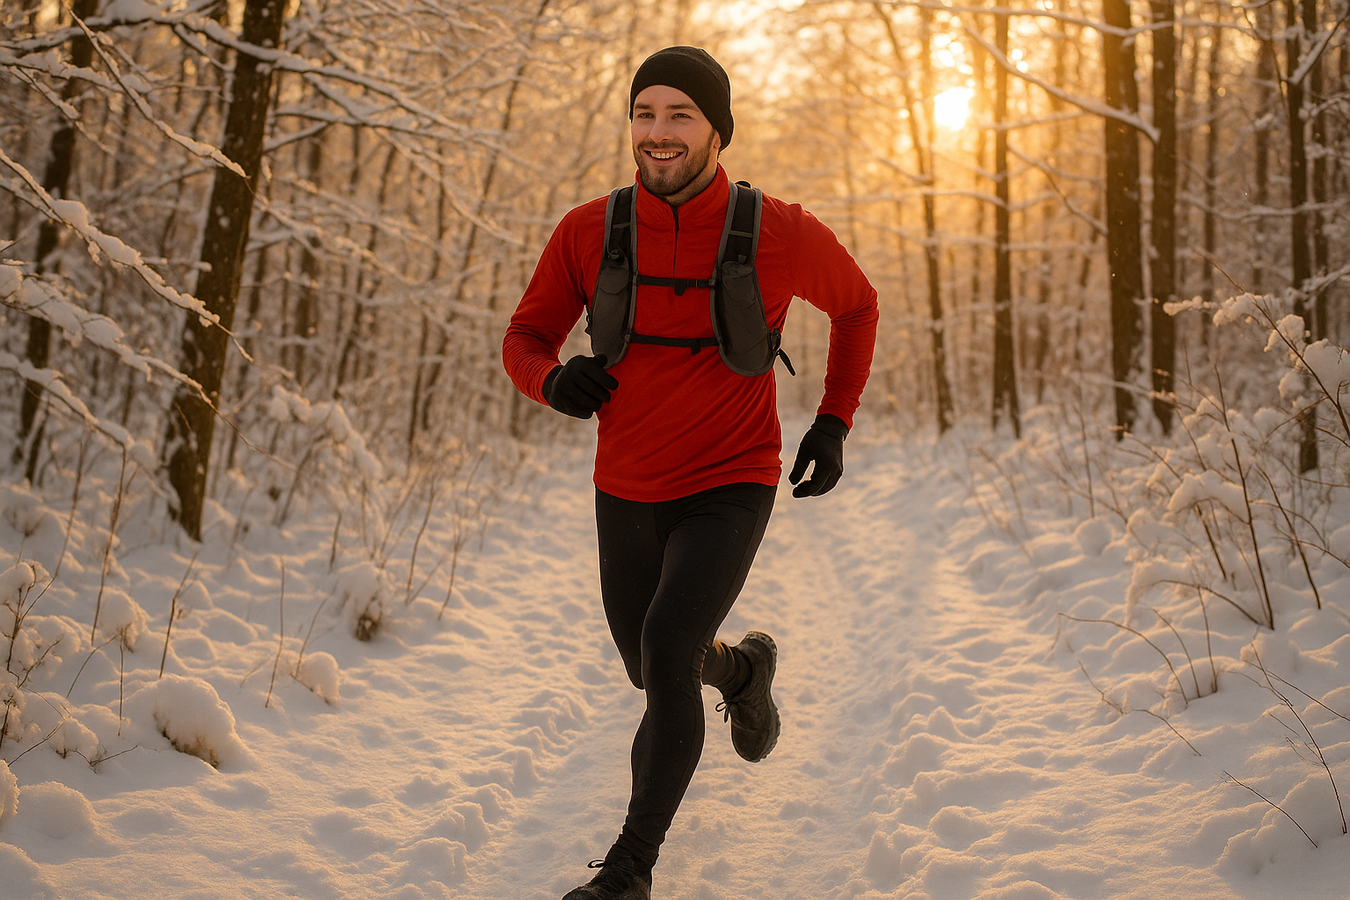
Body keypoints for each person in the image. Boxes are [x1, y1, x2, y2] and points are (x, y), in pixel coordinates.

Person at [502, 45, 879, 900]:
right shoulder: (588, 231)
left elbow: (858, 305)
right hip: (627, 481)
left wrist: (833, 420)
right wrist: (552, 379)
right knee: (647, 664)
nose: (658, 133)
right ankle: (744, 671)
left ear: (717, 130)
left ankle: (628, 871)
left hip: (731, 478)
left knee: (667, 653)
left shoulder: (777, 230)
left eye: (679, 116)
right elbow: (523, 339)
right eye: (645, 114)